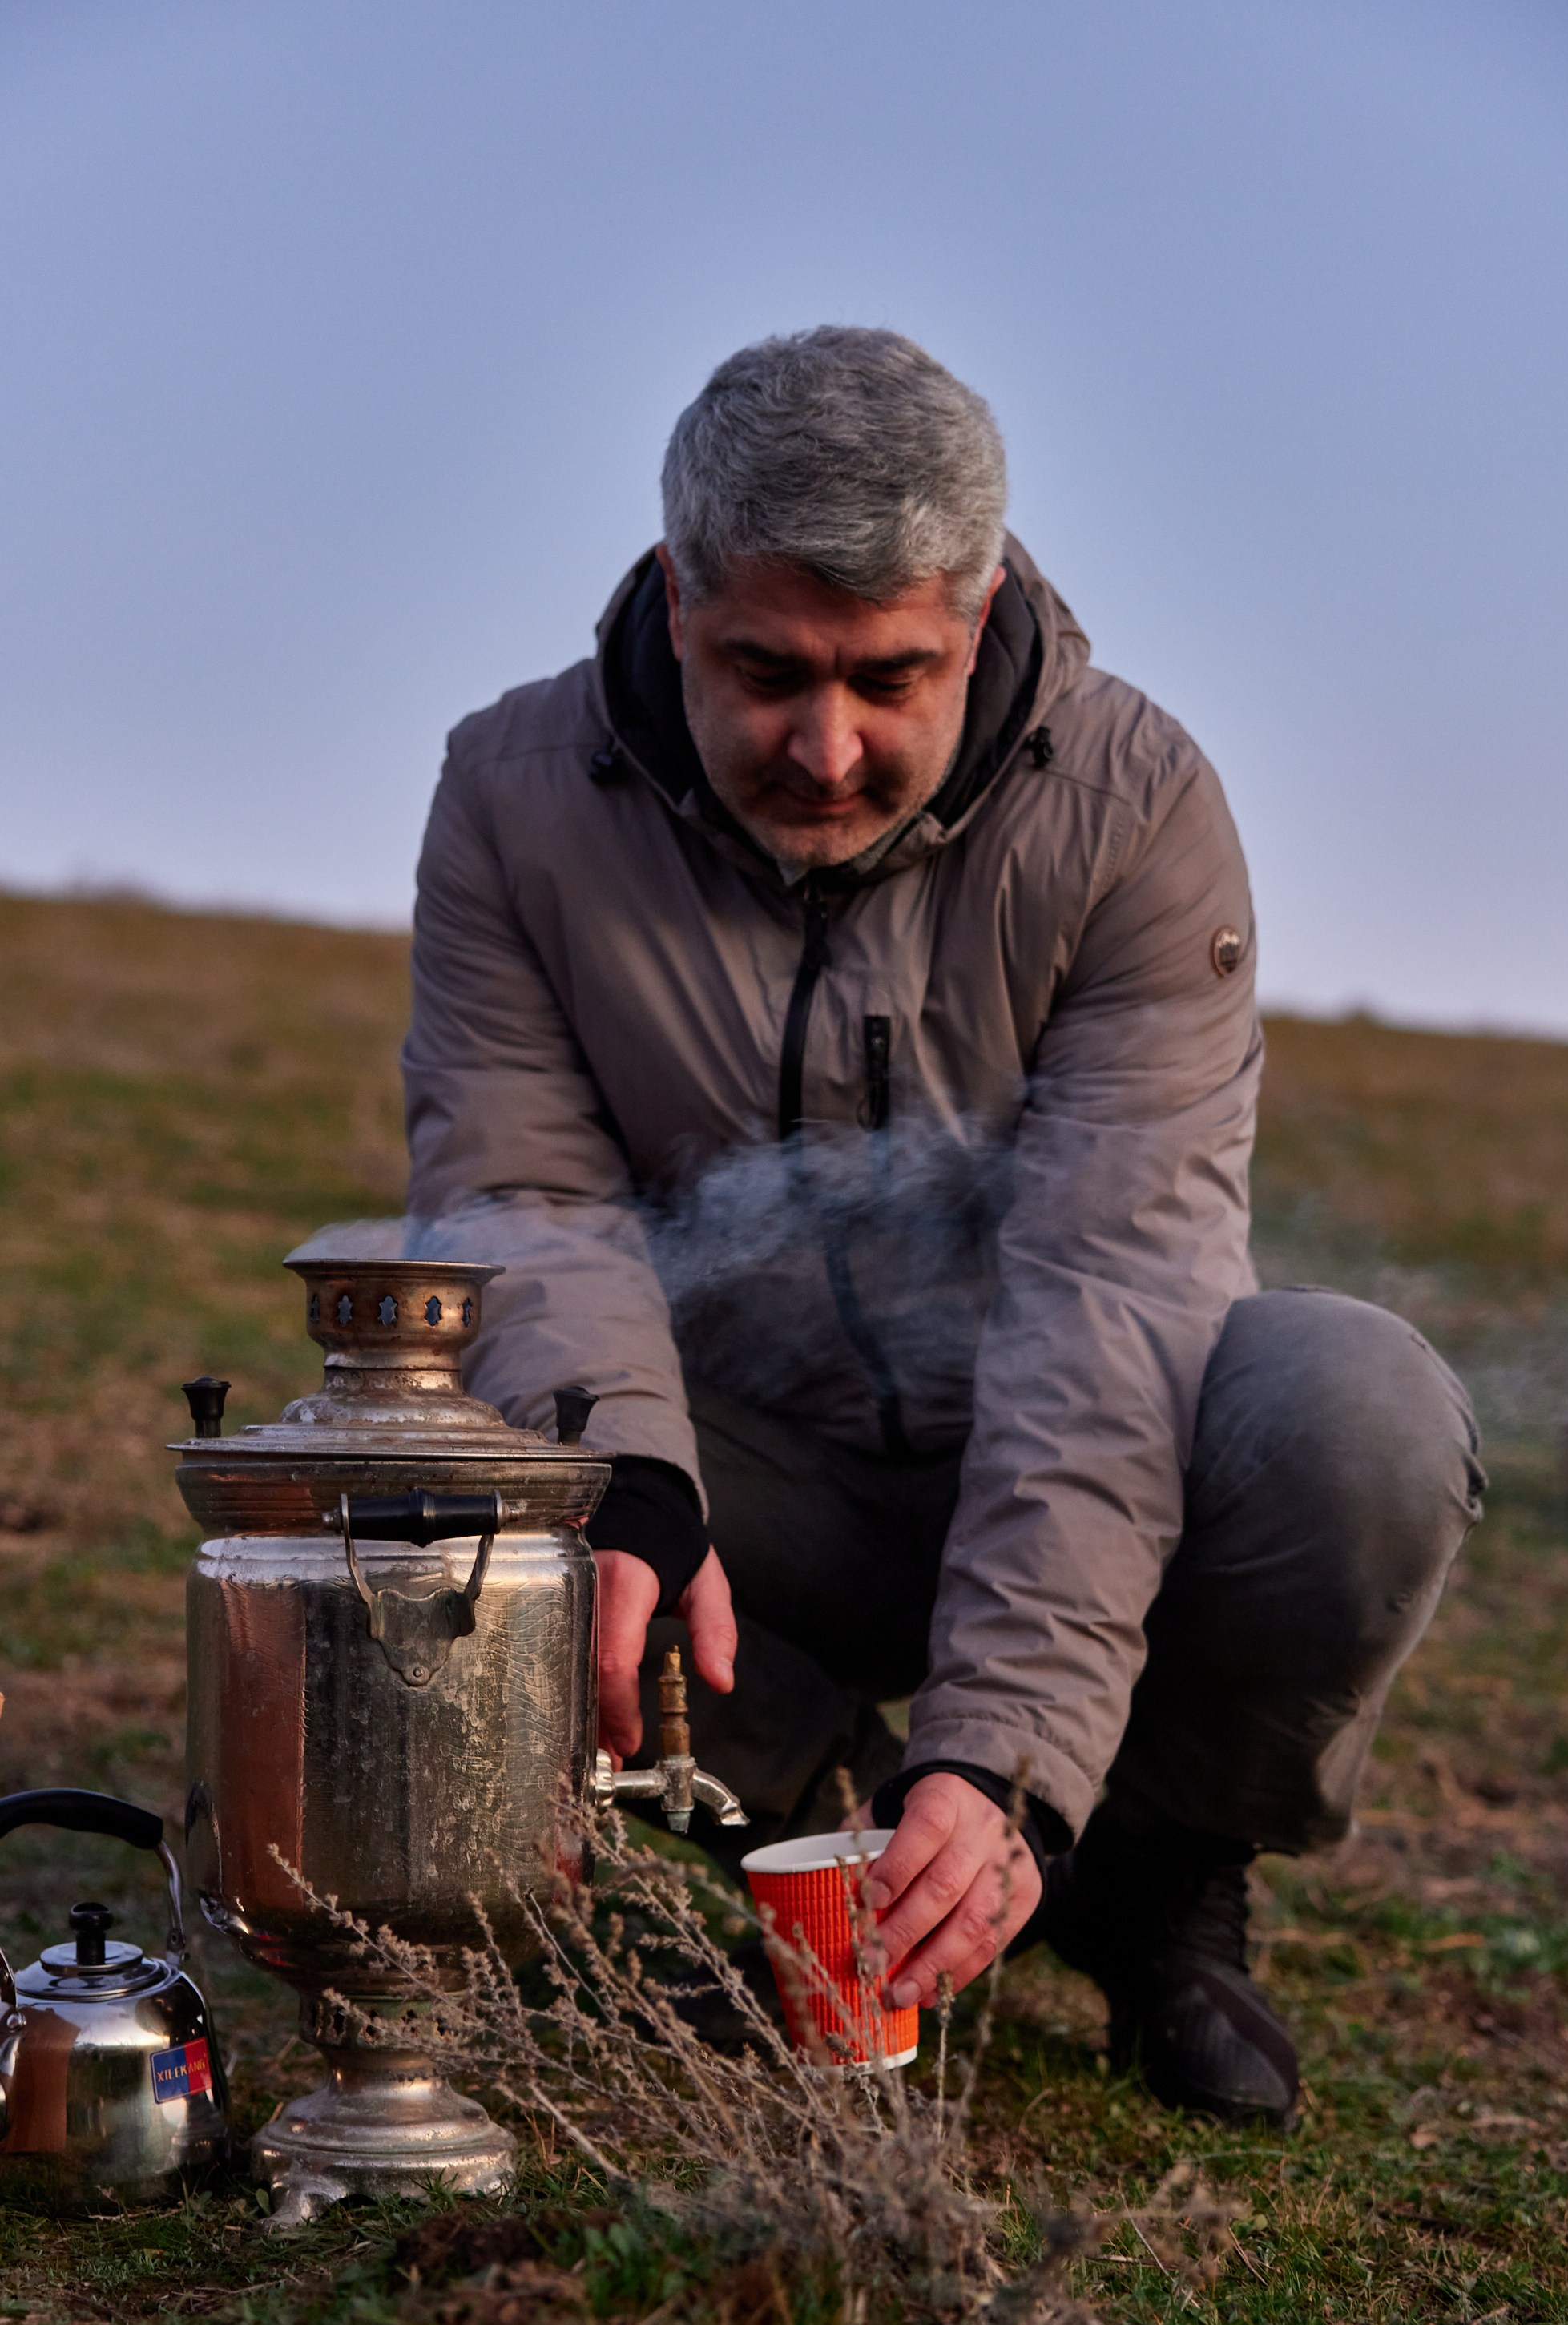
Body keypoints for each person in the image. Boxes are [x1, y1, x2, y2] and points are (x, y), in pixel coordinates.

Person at [402, 327, 1484, 2122]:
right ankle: (764, 1829)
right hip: (735, 1490)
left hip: (1067, 1457)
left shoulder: (1137, 812)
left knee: (1351, 1419)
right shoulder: (511, 798)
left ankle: (1145, 1867)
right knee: (420, 1408)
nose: (825, 748)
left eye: (887, 678)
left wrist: (1004, 1760)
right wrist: (627, 1495)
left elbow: (1112, 1303)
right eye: (764, 672)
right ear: (679, 598)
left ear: (975, 617)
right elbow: (520, 1198)